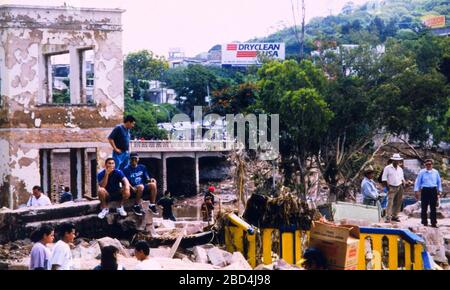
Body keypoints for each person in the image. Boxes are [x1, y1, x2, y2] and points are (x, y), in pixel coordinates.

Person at [414, 159, 442, 228]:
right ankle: (424, 222)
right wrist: (416, 190)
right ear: (425, 165)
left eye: (430, 164)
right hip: (425, 190)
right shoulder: (422, 172)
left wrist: (439, 190)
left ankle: (433, 223)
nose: (428, 165)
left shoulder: (436, 172)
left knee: (433, 207)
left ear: (432, 165)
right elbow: (418, 182)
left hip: (433, 190)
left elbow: (439, 182)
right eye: (427, 164)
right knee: (424, 207)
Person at [382, 153, 406, 223]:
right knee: (390, 202)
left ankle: (395, 216)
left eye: (398, 160)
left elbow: (402, 178)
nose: (396, 161)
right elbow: (384, 179)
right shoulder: (387, 168)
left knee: (398, 202)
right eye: (395, 160)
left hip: (399, 185)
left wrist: (404, 183)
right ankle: (388, 217)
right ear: (392, 160)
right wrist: (388, 187)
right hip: (391, 186)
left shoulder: (400, 169)